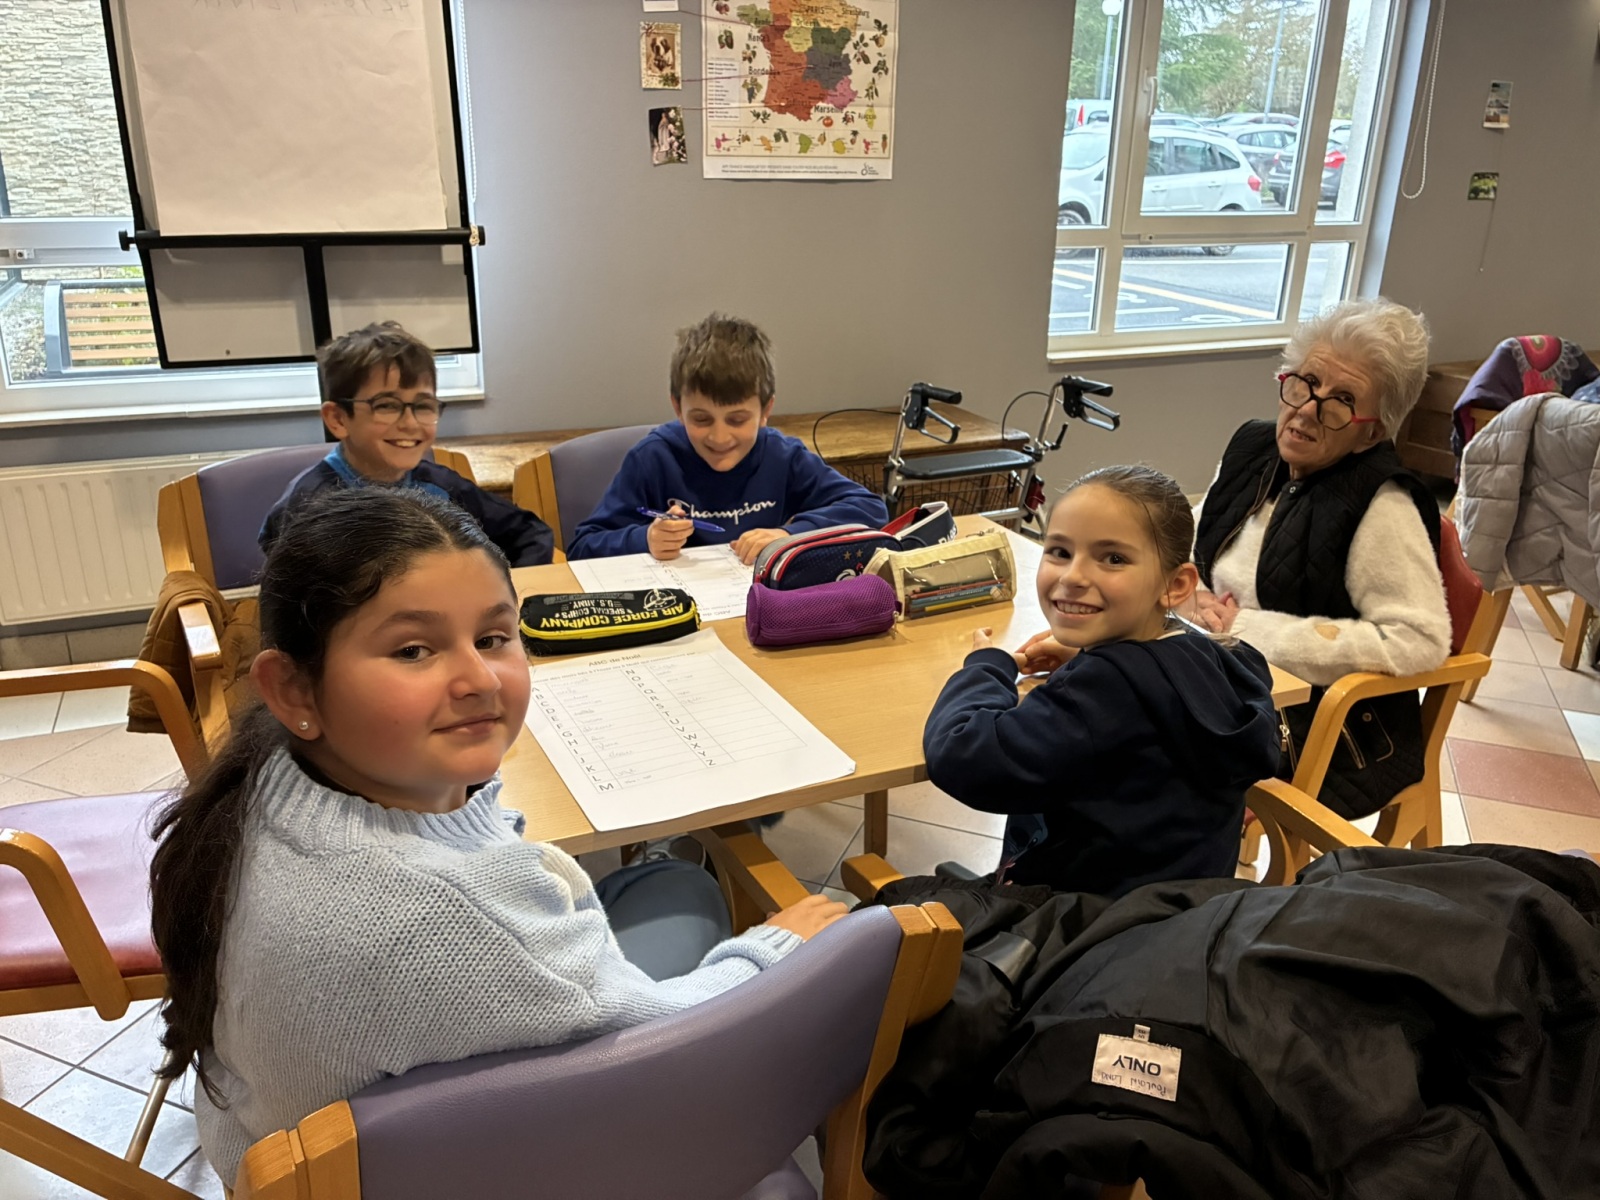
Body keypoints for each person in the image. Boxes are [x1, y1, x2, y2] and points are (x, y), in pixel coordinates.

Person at [151, 488, 845, 1185]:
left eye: (492, 638)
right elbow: (665, 1038)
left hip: (298, 1146)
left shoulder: (264, 784)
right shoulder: (441, 917)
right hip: (485, 1170)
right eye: (413, 650)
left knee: (674, 884)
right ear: (294, 689)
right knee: (766, 938)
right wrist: (773, 949)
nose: (480, 679)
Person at [923, 465, 1282, 897]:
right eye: (1059, 551)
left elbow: (961, 755)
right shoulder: (1223, 660)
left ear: (1176, 584)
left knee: (889, 904)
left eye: (1113, 559)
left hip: (1078, 923)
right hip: (1177, 916)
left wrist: (986, 666)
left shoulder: (1104, 691)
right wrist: (1090, 654)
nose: (1073, 576)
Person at [1190, 297, 1451, 820]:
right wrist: (1188, 590)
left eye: (1342, 401)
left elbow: (1420, 640)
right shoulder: (1253, 449)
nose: (1308, 410)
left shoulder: (1382, 504)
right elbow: (1196, 541)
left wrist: (1249, 630)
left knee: (1144, 759)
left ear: (1372, 431)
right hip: (1220, 677)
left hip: (1323, 727)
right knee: (1089, 704)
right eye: (1307, 382)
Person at [567, 313, 889, 564]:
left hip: (757, 607)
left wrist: (789, 534)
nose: (719, 437)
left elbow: (871, 509)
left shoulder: (782, 456)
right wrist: (645, 539)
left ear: (765, 411)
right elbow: (583, 546)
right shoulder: (653, 458)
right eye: (701, 419)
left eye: (737, 420)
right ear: (678, 408)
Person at [258, 321, 554, 567]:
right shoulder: (309, 507)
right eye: (386, 405)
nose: (410, 423)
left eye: (423, 405)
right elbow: (291, 602)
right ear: (338, 419)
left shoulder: (442, 486)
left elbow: (530, 533)